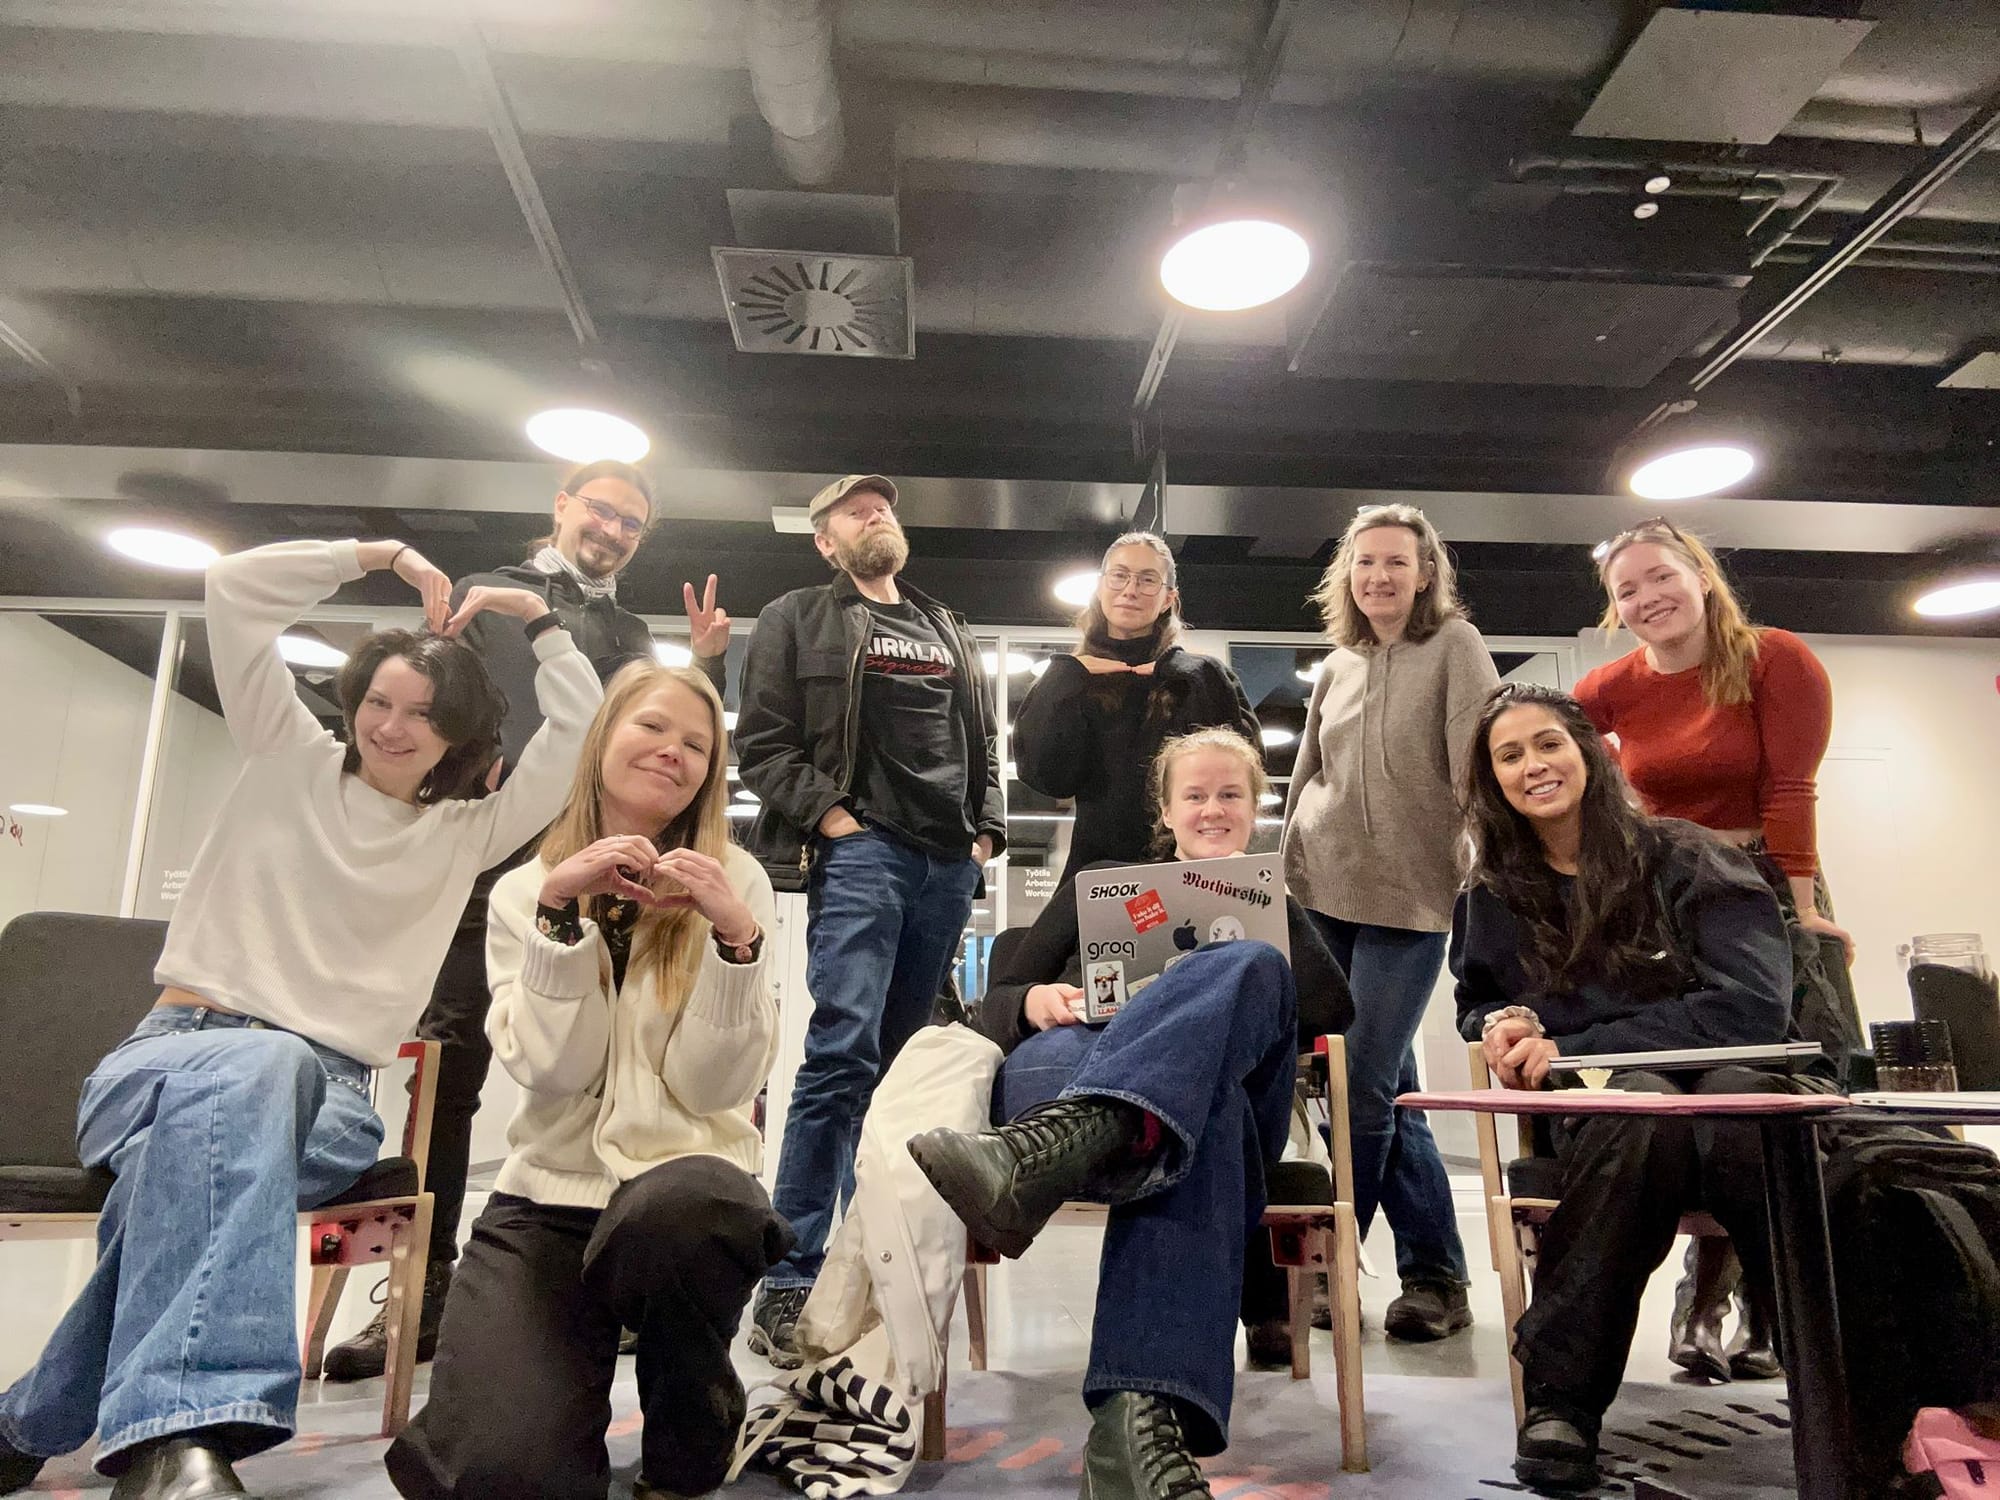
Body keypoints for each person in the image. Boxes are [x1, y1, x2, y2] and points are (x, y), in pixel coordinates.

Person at [0, 539, 600, 1500]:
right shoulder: (286, 753)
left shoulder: (469, 832)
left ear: (458, 736)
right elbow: (233, 590)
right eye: (379, 702)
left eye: (423, 714)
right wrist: (375, 555)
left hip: (329, 1101)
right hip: (166, 1059)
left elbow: (579, 730)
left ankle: (42, 1424)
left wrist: (540, 621)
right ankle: (180, 1434)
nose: (392, 727)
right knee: (248, 1083)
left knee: (216, 1132)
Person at [326, 459, 728, 1381]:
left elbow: (640, 731)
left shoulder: (630, 633)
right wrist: (472, 770)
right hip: (485, 859)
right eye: (602, 511)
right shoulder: (486, 594)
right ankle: (417, 1294)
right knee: (444, 1076)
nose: (613, 531)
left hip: (596, 862)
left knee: (624, 1063)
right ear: (561, 506)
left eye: (631, 523)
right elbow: (439, 697)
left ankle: (619, 1280)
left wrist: (701, 666)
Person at [909, 728, 1353, 1500]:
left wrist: (1260, 910)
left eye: (1231, 795)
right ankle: (1134, 1433)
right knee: (1200, 1116)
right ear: (1166, 810)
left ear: (1255, 809)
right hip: (1073, 1059)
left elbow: (1332, 1010)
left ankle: (1037, 1159)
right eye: (1195, 795)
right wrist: (1034, 1000)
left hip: (1171, 1097)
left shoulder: (1267, 902)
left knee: (1244, 978)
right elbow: (998, 998)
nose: (1212, 809)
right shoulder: (1105, 882)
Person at [385, 662, 788, 1500]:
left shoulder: (736, 881)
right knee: (501, 1473)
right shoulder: (524, 889)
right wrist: (558, 918)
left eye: (697, 746)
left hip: (682, 1192)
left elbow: (713, 1090)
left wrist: (736, 942)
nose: (673, 752)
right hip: (548, 1198)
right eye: (653, 727)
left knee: (688, 1208)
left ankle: (691, 1431)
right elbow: (554, 1069)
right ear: (603, 736)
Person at [1451, 682, 1809, 1492]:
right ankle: (1562, 1403)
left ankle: (1841, 1386)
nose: (1533, 765)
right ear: (1492, 780)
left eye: (1548, 743)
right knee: (1639, 1105)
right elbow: (1478, 1003)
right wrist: (1501, 1025)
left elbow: (1749, 1009)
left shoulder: (1691, 856)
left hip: (1727, 1084)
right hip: (1611, 1110)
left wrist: (1574, 1041)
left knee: (1736, 1110)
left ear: (1591, 752)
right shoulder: (1492, 894)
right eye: (1509, 755)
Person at [1577, 515, 1859, 1381]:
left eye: (1661, 576)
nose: (1647, 597)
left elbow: (1790, 787)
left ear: (1700, 575)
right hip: (1669, 899)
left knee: (1779, 1084)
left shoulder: (1775, 658)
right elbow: (1545, 742)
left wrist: (1802, 914)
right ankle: (1702, 1302)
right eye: (1627, 590)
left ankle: (1771, 1309)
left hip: (1771, 880)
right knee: (1700, 1082)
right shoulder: (1611, 686)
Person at [735, 474, 1005, 1365]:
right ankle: (791, 1275)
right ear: (825, 540)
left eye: (882, 507)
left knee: (896, 1074)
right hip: (864, 853)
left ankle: (870, 1266)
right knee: (841, 1052)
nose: (874, 516)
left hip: (947, 863)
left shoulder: (944, 624)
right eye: (855, 511)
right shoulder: (796, 617)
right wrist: (832, 818)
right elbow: (761, 743)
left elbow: (982, 741)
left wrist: (987, 831)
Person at [1279, 502, 1496, 1341]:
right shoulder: (1338, 663)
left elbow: (1476, 769)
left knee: (1362, 1084)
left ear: (1425, 572)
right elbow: (1307, 774)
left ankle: (1333, 1266)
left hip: (1412, 896)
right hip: (1323, 890)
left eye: (1396, 562)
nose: (1379, 576)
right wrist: (1280, 878)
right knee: (1386, 1090)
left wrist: (1484, 874)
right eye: (1364, 562)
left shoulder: (1456, 646)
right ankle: (1437, 1277)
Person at [1012, 531, 1259, 883]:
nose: (1130, 590)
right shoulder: (1072, 681)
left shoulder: (1200, 678)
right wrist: (1064, 677)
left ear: (1168, 598)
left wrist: (1191, 674)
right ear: (1100, 587)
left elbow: (1244, 768)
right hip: (1099, 872)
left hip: (1192, 871)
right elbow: (1045, 777)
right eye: (1119, 575)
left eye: (1147, 580)